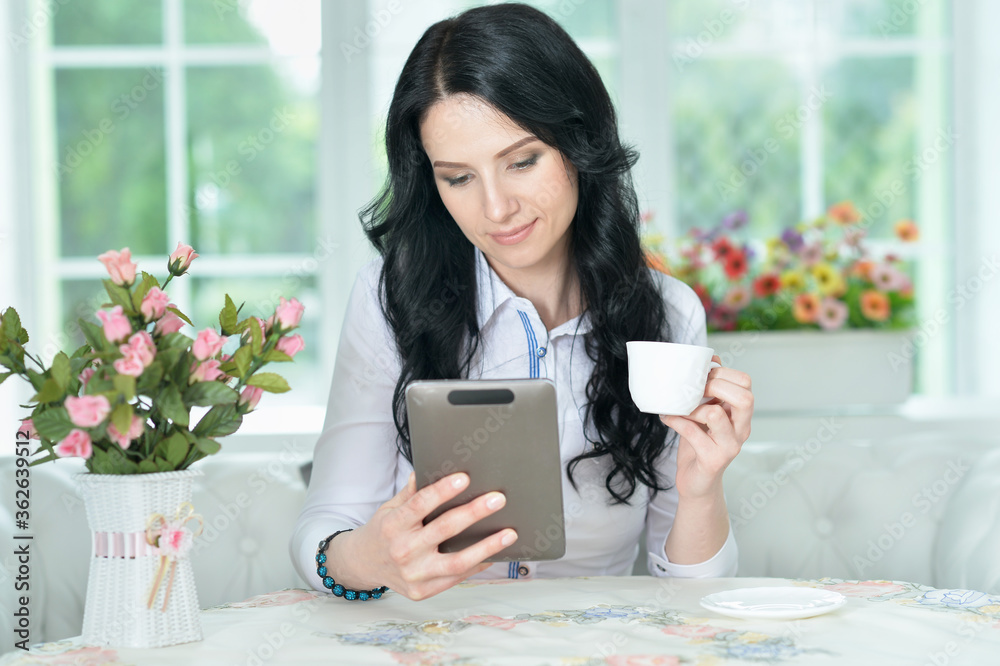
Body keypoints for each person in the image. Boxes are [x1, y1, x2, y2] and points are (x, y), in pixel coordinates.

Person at [290, 2, 753, 602]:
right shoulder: (390, 299)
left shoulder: (668, 313)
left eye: (522, 161)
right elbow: (321, 533)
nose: (496, 209)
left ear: (580, 143)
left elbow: (695, 598)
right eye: (458, 177)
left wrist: (700, 490)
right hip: (430, 638)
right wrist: (369, 555)